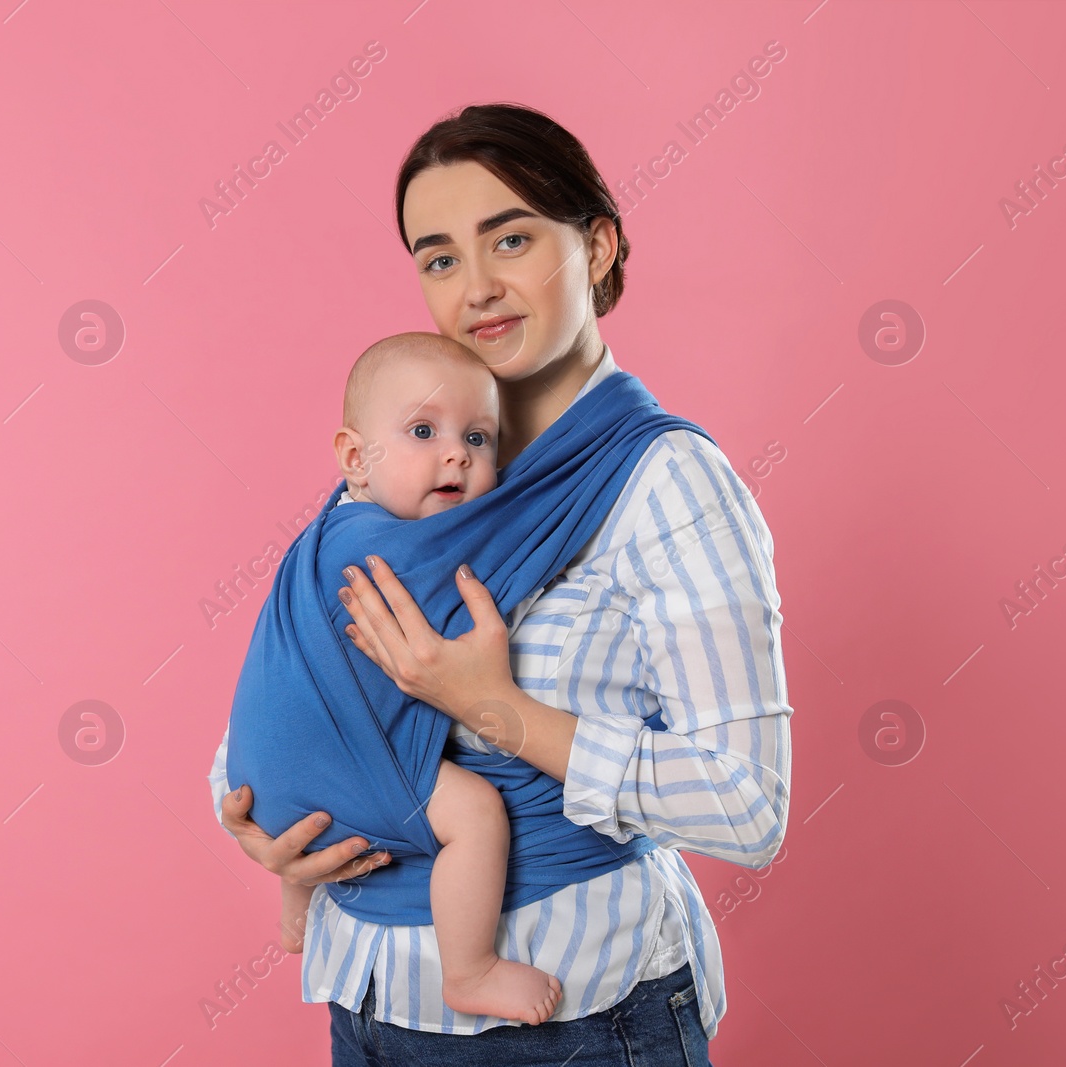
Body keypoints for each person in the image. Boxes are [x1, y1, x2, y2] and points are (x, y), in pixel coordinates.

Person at [207, 102, 791, 1065]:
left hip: (576, 1017)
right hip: (368, 1003)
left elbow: (748, 804)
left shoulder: (667, 483)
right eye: (439, 258)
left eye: (510, 238)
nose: (475, 288)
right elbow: (295, 692)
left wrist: (494, 707)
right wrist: (261, 827)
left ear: (597, 246)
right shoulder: (408, 460)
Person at [258, 330, 563, 1026]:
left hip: (269, 786)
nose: (457, 452)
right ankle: (471, 968)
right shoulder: (400, 545)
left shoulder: (321, 534)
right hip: (333, 781)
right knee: (478, 813)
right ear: (354, 457)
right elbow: (508, 543)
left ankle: (296, 895)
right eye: (423, 430)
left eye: (481, 439)